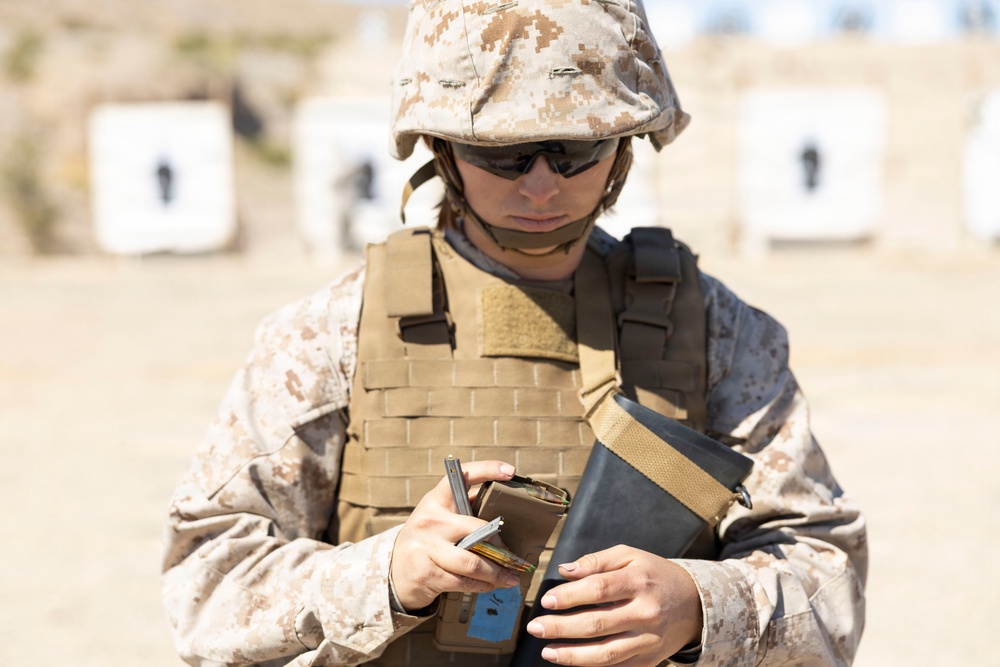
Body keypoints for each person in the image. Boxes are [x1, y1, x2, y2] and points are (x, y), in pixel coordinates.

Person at [161, 2, 867, 666]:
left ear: (624, 144)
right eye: (503, 153)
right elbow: (205, 584)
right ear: (440, 146)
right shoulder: (329, 335)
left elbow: (829, 577)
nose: (539, 186)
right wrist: (386, 572)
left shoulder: (718, 333)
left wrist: (700, 607)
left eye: (574, 150)